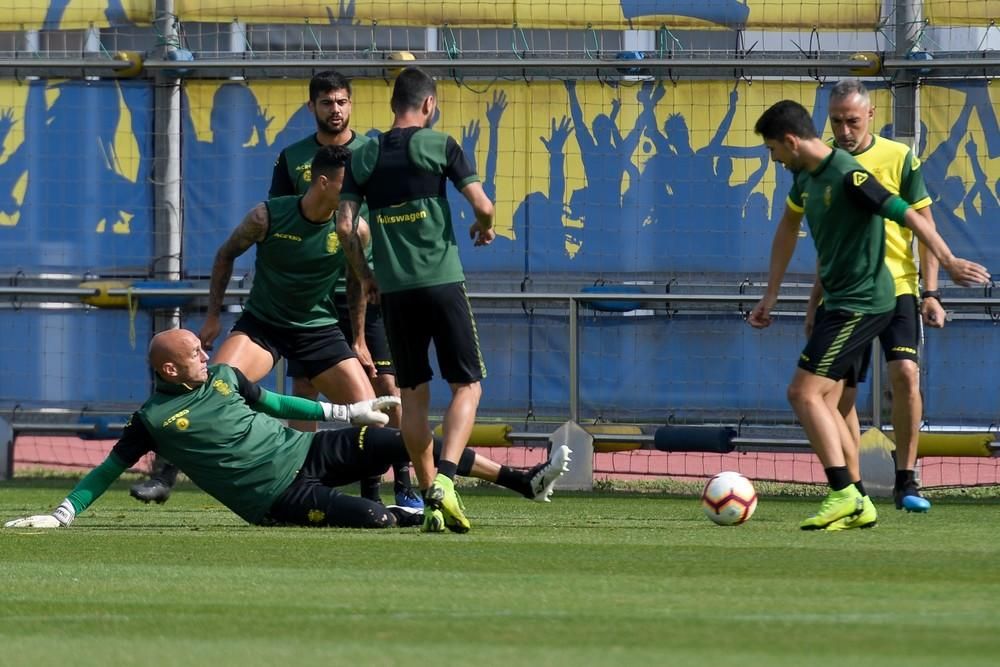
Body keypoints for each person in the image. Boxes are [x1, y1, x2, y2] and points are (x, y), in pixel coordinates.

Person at [4, 330, 572, 530]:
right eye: (195, 353)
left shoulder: (225, 377)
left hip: (308, 450)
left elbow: (274, 400)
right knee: (377, 519)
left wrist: (351, 413)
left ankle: (520, 481)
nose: (205, 354)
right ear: (170, 371)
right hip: (278, 498)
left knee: (408, 436)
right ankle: (414, 512)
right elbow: (108, 469)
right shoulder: (152, 420)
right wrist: (63, 513)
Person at [747, 100, 990, 531]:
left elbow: (910, 214)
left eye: (772, 150)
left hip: (864, 303)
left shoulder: (850, 176)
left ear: (790, 141)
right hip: (837, 302)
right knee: (822, 399)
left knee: (804, 393)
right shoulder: (805, 177)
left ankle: (850, 493)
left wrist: (948, 263)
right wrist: (773, 295)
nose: (774, 159)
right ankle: (854, 495)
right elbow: (788, 229)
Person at [131, 144, 379, 506]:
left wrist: (358, 339)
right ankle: (162, 477)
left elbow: (357, 282)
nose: (355, 195)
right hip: (264, 326)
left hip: (319, 330)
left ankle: (377, 496)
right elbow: (225, 255)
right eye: (348, 186)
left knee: (371, 412)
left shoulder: (356, 230)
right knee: (207, 391)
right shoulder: (267, 217)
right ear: (323, 182)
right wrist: (213, 316)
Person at [337, 66, 496, 534]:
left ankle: (431, 503)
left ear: (393, 105)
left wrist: (365, 275)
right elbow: (484, 205)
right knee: (467, 386)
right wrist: (484, 227)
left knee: (412, 395)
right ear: (429, 104)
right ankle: (445, 480)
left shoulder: (363, 153)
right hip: (442, 282)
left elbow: (344, 225)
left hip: (395, 292)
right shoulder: (440, 144)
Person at [268, 70, 420, 510]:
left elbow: (396, 210)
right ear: (311, 106)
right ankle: (302, 479)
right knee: (304, 387)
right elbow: (280, 217)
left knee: (386, 384)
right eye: (326, 102)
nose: (335, 110)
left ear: (351, 104)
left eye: (341, 102)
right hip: (314, 295)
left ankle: (403, 484)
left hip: (371, 291)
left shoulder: (373, 151)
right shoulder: (292, 158)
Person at [805, 79, 944, 516]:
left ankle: (906, 479)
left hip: (898, 286)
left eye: (852, 120)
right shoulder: (823, 162)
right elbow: (827, 239)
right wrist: (814, 300)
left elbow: (925, 224)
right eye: (836, 121)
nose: (844, 130)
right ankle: (854, 490)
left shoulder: (899, 157)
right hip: (846, 293)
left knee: (906, 372)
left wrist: (931, 292)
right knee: (838, 397)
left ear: (870, 116)